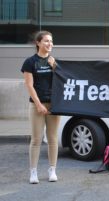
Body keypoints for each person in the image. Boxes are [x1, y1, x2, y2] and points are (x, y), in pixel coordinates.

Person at [21, 31, 61, 184]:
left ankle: (52, 170)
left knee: (52, 138)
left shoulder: (53, 61)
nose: (49, 44)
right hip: (36, 104)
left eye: (51, 41)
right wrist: (38, 104)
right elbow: (29, 85)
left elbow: (62, 80)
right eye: (46, 41)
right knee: (36, 139)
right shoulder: (30, 62)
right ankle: (33, 172)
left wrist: (55, 67)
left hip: (53, 104)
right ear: (38, 43)